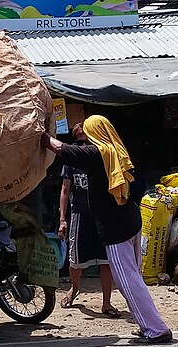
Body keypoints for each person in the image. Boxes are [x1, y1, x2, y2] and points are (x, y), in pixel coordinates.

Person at [42, 115, 172, 344]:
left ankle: (156, 329)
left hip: (116, 229)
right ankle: (148, 325)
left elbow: (59, 147)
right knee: (134, 278)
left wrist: (38, 133)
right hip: (131, 222)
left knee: (127, 281)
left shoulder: (97, 153)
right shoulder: (116, 150)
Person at [58, 123, 120, 318]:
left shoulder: (105, 156)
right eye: (79, 142)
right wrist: (62, 219)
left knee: (106, 261)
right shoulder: (72, 161)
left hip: (102, 214)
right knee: (75, 260)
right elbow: (65, 190)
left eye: (87, 141)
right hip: (80, 214)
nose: (83, 146)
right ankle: (74, 288)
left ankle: (107, 303)